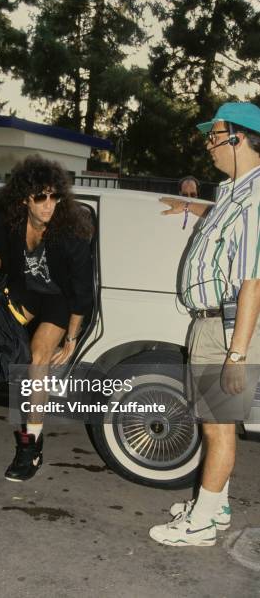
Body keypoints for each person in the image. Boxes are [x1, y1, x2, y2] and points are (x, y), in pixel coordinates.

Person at [150, 102, 260, 547]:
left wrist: (237, 354)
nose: (208, 145)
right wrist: (188, 207)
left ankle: (200, 527)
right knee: (214, 423)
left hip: (228, 327)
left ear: (239, 138)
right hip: (208, 324)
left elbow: (253, 281)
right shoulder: (232, 191)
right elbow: (224, 236)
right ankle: (215, 508)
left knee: (217, 426)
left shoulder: (256, 198)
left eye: (214, 136)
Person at [0, 154, 93, 481]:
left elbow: (82, 292)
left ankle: (30, 445)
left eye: (54, 196)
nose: (49, 205)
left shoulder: (71, 232)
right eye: (40, 197)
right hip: (25, 291)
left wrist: (72, 340)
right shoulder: (7, 218)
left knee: (37, 358)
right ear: (24, 199)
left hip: (60, 297)